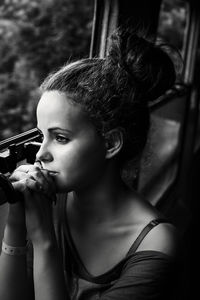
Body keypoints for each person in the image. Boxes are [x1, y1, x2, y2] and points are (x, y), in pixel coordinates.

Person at [0, 27, 178, 300]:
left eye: (60, 138)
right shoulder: (49, 201)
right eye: (41, 136)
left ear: (110, 144)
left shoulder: (157, 245)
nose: (40, 155)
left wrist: (44, 239)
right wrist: (15, 223)